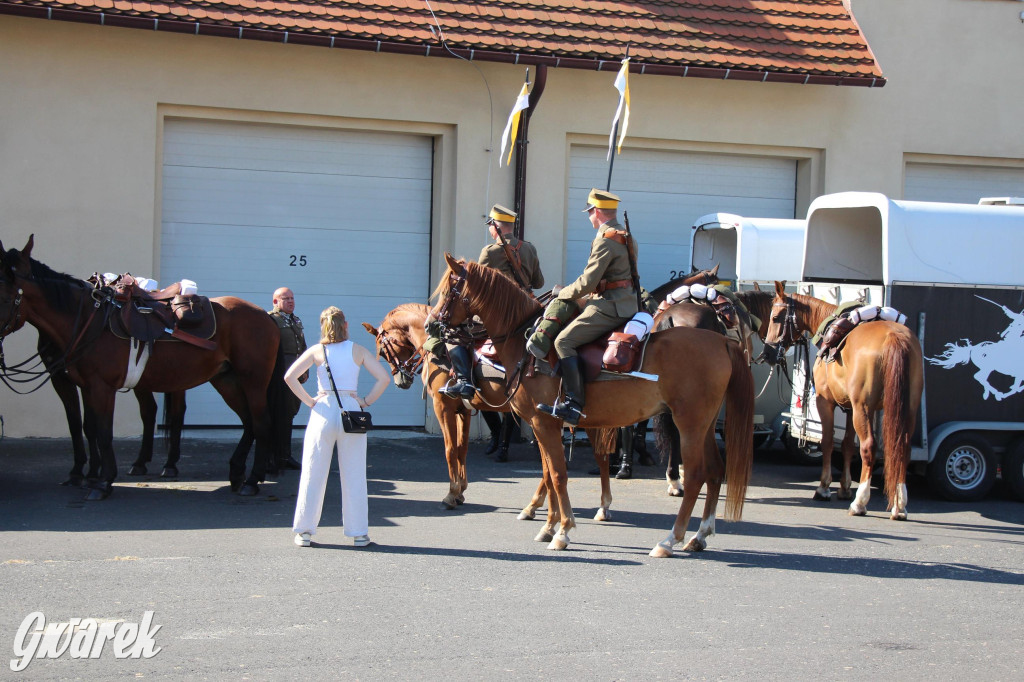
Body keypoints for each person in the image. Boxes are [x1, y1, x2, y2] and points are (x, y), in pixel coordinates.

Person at [284, 306, 390, 548]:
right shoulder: (358, 350)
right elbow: (384, 378)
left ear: (323, 326)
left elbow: (289, 377)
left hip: (322, 409)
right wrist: (365, 401)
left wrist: (310, 401)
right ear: (346, 325)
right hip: (350, 408)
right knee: (354, 473)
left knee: (313, 471)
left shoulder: (316, 351)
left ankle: (304, 532)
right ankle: (359, 534)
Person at [535, 189, 639, 426]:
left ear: (597, 211)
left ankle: (573, 404)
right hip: (628, 302)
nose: (588, 216)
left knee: (563, 341)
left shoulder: (605, 241)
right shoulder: (627, 236)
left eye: (589, 212)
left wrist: (561, 293)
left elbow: (587, 283)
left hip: (609, 306)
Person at [473, 203, 544, 461]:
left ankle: (462, 383)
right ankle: (502, 439)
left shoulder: (490, 252)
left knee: (462, 345)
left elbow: (479, 286)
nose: (490, 231)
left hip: (500, 318)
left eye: (490, 226)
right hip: (528, 312)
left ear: (496, 226)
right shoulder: (529, 248)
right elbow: (539, 283)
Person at [269, 287, 308, 471]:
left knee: (289, 415)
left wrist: (305, 369)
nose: (291, 301)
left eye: (292, 298)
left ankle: (285, 456)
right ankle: (272, 457)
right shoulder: (271, 320)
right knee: (277, 416)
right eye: (286, 299)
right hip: (280, 376)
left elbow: (302, 347)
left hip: (296, 376)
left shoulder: (296, 320)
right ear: (275, 302)